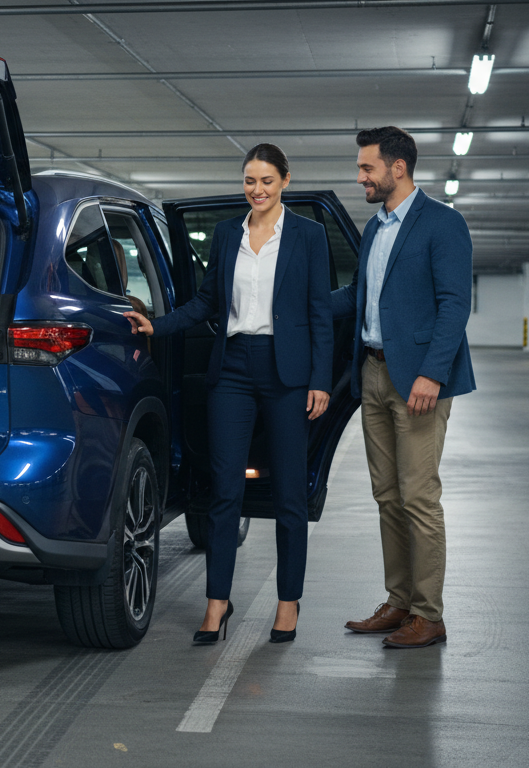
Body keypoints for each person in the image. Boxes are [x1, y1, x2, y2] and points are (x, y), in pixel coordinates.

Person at [124, 143, 333, 645]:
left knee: (288, 494)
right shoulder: (225, 235)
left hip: (287, 373)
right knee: (224, 492)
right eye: (249, 181)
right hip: (233, 367)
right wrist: (158, 325)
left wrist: (321, 380)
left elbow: (320, 313)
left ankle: (288, 603)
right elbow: (205, 302)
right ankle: (217, 602)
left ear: (285, 180)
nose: (257, 190)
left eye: (266, 180)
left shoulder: (308, 236)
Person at [330, 126, 475, 649]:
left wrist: (432, 373)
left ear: (398, 168)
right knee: (387, 496)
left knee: (418, 496)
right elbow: (358, 296)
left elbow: (455, 303)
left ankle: (428, 614)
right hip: (372, 372)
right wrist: (298, 304)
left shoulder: (442, 223)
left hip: (418, 379)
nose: (361, 177)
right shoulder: (374, 229)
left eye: (368, 168)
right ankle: (398, 601)